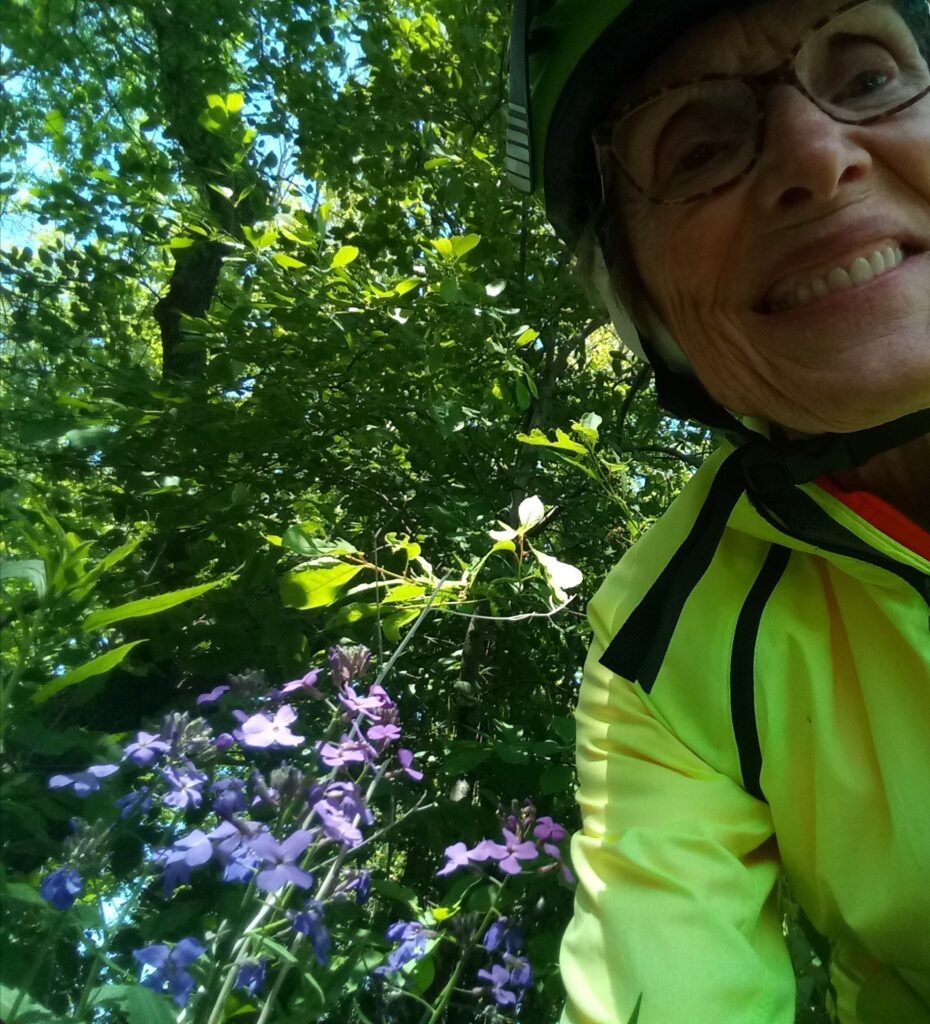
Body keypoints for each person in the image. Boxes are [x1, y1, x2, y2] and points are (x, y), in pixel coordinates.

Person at [505, 1, 930, 1022]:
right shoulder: (669, 645)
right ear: (643, 304)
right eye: (698, 147)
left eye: (870, 77)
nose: (816, 157)